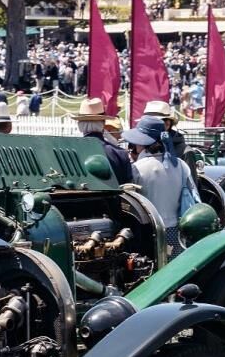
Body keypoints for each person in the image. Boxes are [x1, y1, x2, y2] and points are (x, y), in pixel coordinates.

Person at [125, 115, 200, 257]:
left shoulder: (137, 169)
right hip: (177, 230)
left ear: (142, 143)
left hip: (148, 231)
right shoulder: (180, 165)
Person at [73, 96, 134, 184]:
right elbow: (128, 187)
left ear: (79, 124)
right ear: (103, 123)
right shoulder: (120, 154)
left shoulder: (71, 151)